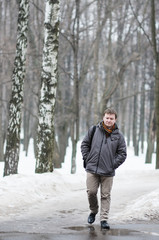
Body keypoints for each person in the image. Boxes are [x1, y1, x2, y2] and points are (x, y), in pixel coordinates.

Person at [81, 108, 127, 229]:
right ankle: (94, 211)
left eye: (111, 118)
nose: (109, 120)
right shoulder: (94, 130)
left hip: (108, 171)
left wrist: (112, 164)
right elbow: (85, 144)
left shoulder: (119, 136)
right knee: (91, 192)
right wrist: (87, 158)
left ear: (115, 120)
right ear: (103, 117)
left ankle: (104, 219)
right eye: (107, 117)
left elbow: (122, 154)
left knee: (105, 195)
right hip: (92, 169)